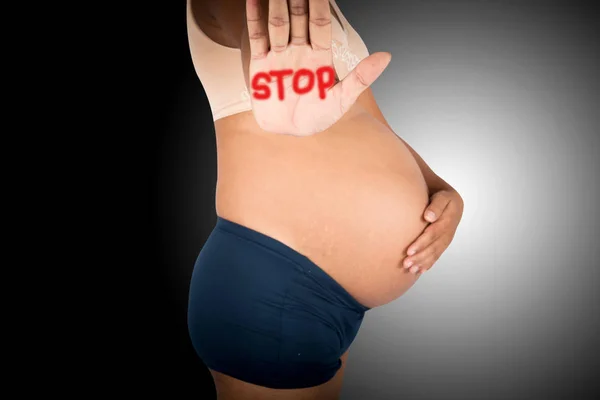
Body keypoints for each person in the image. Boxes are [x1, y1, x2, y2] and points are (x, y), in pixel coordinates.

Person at [186, 0, 464, 398]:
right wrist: (279, 89)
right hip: (273, 283)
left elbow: (370, 124)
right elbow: (254, 33)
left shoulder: (323, 10)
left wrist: (441, 189)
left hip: (321, 299)